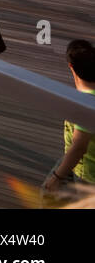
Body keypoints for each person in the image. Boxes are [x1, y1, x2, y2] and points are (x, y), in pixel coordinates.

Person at [41, 40, 95, 198]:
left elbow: (79, 147)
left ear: (71, 67)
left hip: (86, 170)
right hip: (76, 160)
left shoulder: (85, 104)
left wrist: (57, 177)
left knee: (48, 195)